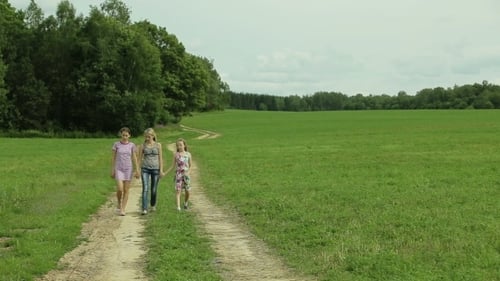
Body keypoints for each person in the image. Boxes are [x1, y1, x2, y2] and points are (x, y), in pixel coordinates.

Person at [111, 127, 140, 216]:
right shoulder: (116, 145)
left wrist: (137, 170)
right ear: (121, 135)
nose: (124, 137)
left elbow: (134, 158)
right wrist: (112, 169)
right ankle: (119, 203)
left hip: (128, 169)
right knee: (120, 188)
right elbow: (113, 158)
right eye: (123, 135)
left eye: (126, 135)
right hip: (119, 168)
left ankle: (123, 209)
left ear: (129, 136)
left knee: (126, 189)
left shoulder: (132, 145)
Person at [137, 128, 165, 215]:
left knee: (153, 189)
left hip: (155, 169)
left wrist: (161, 170)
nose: (147, 139)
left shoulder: (158, 145)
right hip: (145, 168)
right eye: (146, 137)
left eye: (149, 137)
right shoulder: (142, 146)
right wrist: (137, 170)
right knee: (145, 188)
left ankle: (152, 205)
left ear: (153, 136)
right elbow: (139, 159)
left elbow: (160, 158)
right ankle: (144, 208)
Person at [165, 138, 192, 211]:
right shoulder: (176, 154)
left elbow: (190, 165)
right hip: (179, 174)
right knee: (178, 190)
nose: (179, 147)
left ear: (184, 145)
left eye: (180, 145)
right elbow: (172, 166)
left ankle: (185, 203)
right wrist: (165, 173)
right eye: (177, 145)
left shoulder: (188, 154)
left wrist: (188, 173)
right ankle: (178, 207)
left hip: (186, 175)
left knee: (188, 191)